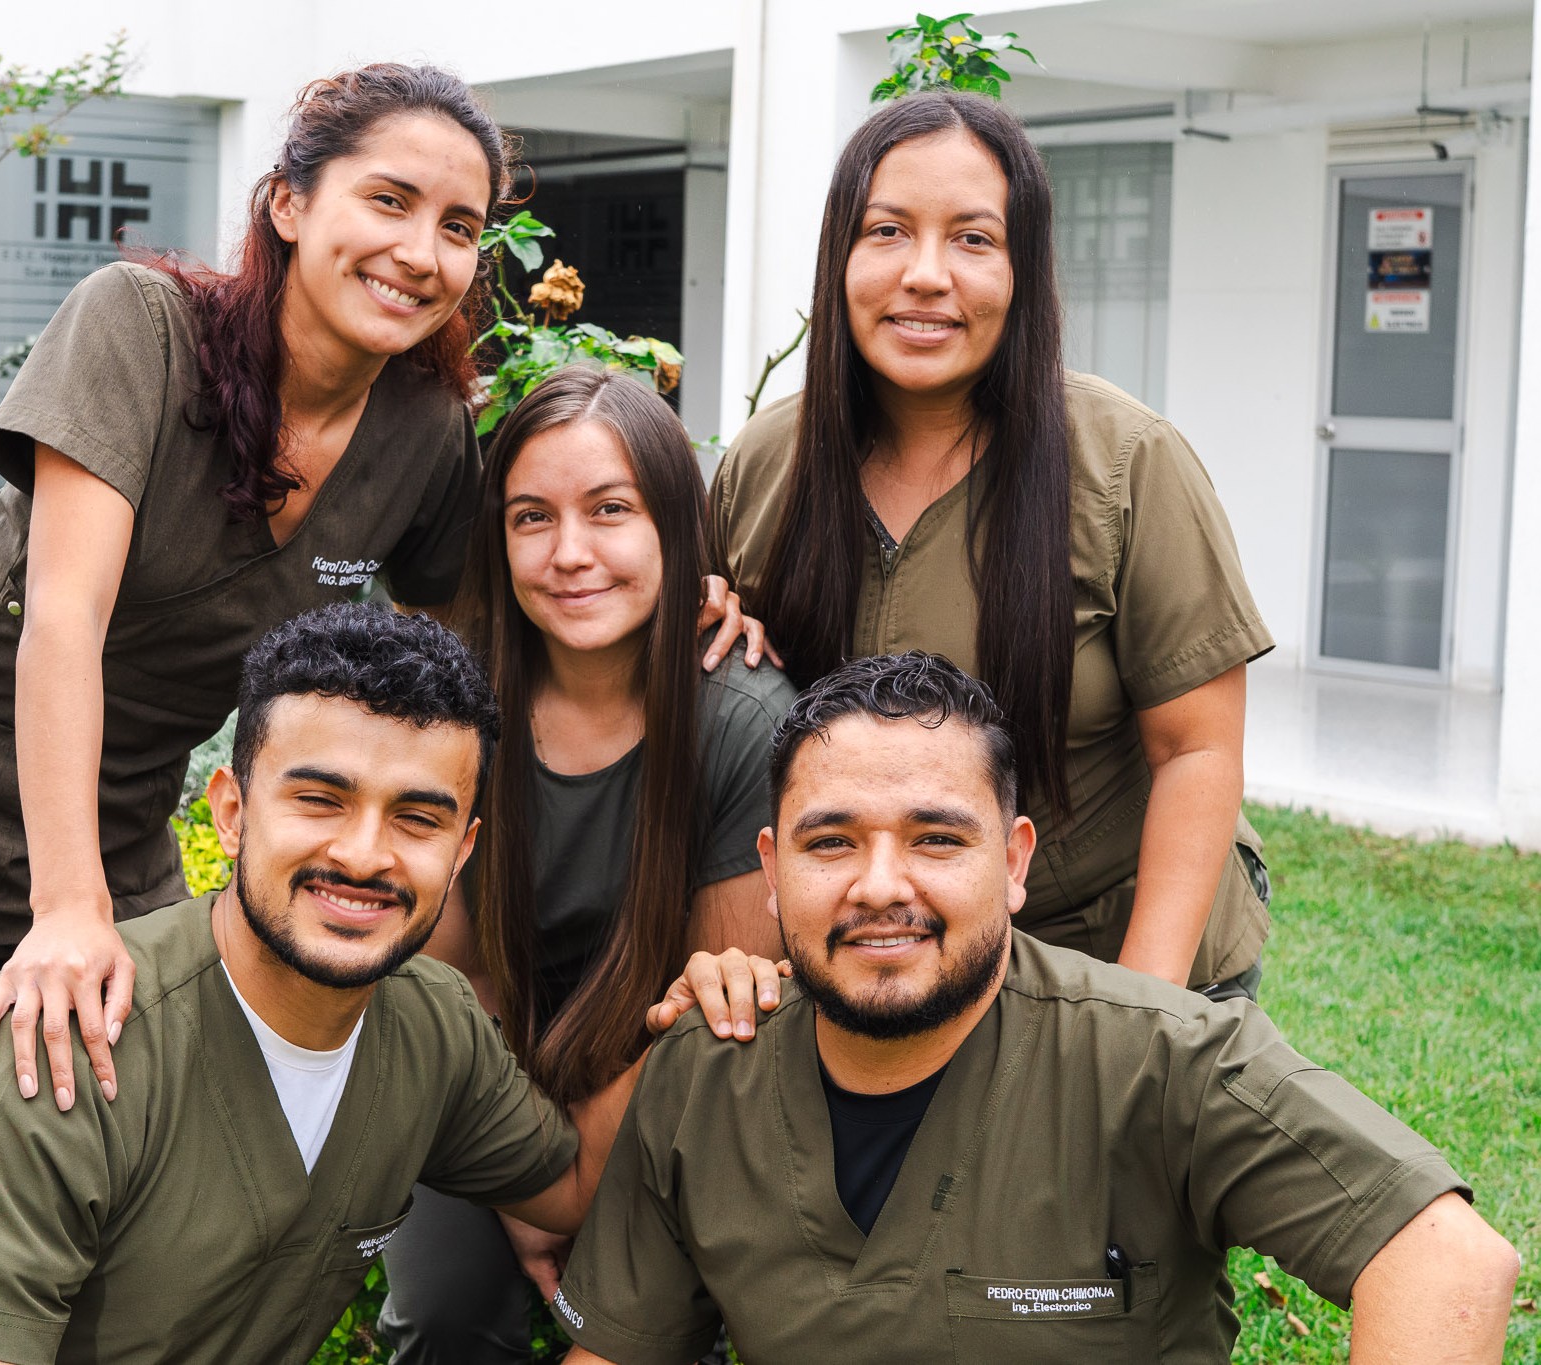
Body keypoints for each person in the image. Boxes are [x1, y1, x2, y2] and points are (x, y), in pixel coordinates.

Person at [0, 64, 760, 1284]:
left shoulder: (420, 432)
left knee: (145, 1202)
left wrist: (666, 597)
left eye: (457, 227)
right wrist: (66, 913)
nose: (420, 252)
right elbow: (62, 618)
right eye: (386, 200)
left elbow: (478, 642)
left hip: (115, 819)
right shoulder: (140, 326)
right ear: (288, 203)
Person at [0, 604, 781, 1365]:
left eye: (417, 817)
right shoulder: (50, 1052)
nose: (363, 854)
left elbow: (570, 1183)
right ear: (233, 812)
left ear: (464, 854)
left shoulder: (431, 1030)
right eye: (320, 799)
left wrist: (694, 1016)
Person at [554, 653, 1519, 1365]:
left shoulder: (1164, 1059)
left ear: (1013, 862)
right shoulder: (708, 1065)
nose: (880, 885)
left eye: (936, 838)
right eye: (831, 843)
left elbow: (1445, 1262)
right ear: (771, 869)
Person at [712, 90, 1272, 998]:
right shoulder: (768, 463)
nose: (926, 274)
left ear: (1024, 269)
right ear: (839, 259)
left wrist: (1146, 1006)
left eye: (973, 239)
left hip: (1110, 943)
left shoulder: (1128, 462)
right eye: (887, 231)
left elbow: (1197, 753)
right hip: (890, 956)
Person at [380, 367, 796, 1365]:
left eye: (610, 511)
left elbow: (714, 1017)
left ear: (675, 532)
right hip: (475, 1078)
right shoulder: (452, 705)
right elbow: (451, 985)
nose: (570, 554)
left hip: (668, 1089)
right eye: (531, 517)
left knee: (636, 1330)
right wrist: (526, 1194)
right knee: (442, 1316)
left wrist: (576, 1187)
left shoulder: (744, 722)